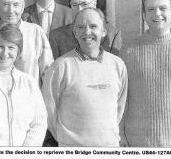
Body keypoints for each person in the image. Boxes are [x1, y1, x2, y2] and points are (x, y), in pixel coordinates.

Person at [42, 8, 128, 146]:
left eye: (93, 26)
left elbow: (119, 109)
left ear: (104, 32)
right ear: (74, 32)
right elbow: (48, 112)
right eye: (81, 27)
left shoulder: (117, 65)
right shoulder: (61, 67)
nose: (87, 32)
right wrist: (67, 140)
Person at [120, 0, 171, 147]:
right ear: (143, 15)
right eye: (150, 9)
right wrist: (121, 135)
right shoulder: (128, 50)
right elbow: (121, 100)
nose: (157, 13)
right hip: (139, 144)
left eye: (163, 8)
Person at [49, 0, 122, 59]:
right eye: (75, 5)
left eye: (84, 4)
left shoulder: (112, 35)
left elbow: (115, 66)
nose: (80, 9)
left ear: (94, 4)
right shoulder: (57, 36)